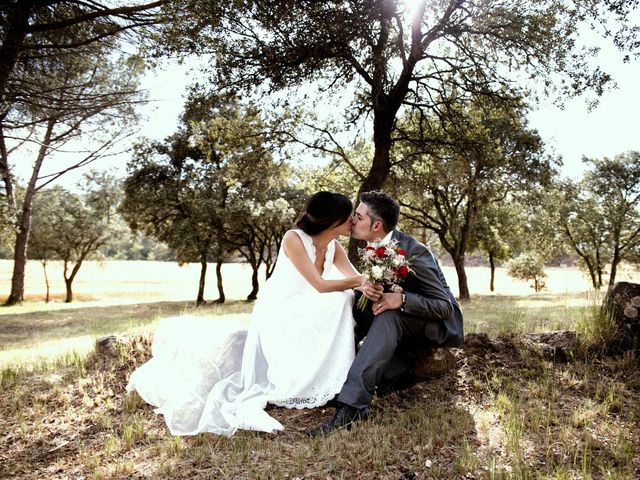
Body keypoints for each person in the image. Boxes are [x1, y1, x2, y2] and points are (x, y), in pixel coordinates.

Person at [127, 191, 364, 436]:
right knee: (339, 299)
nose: (353, 221)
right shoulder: (294, 238)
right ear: (333, 220)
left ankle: (334, 382)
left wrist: (378, 281)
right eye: (349, 217)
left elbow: (354, 278)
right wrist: (360, 281)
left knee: (344, 297)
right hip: (283, 308)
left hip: (310, 304)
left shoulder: (335, 247)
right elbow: (320, 285)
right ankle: (318, 384)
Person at [308, 191, 464, 436]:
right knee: (352, 300)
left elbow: (444, 306)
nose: (352, 221)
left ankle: (352, 407)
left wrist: (401, 299)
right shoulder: (374, 247)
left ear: (376, 225)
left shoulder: (414, 252)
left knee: (389, 315)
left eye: (358, 217)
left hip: (438, 326)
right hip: (407, 321)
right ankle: (332, 380)